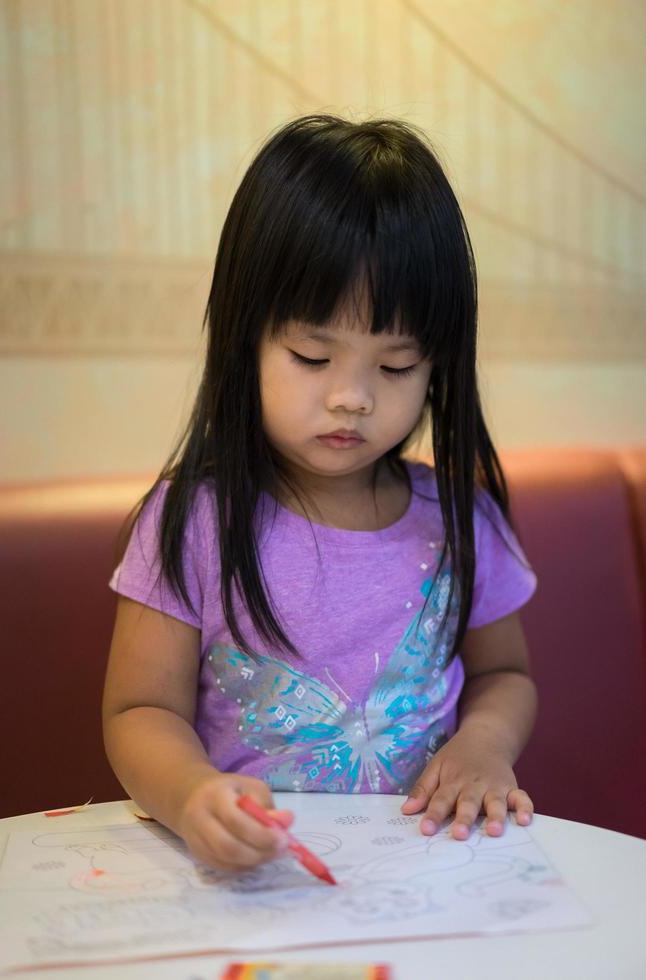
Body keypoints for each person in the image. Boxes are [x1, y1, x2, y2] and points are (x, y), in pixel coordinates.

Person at [103, 113, 538, 874]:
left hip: (427, 873)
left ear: (438, 366)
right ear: (246, 339)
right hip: (260, 878)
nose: (352, 398)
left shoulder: (461, 520)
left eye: (397, 366)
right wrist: (192, 793)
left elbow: (507, 674)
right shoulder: (194, 522)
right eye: (312, 354)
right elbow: (140, 711)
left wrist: (483, 744)